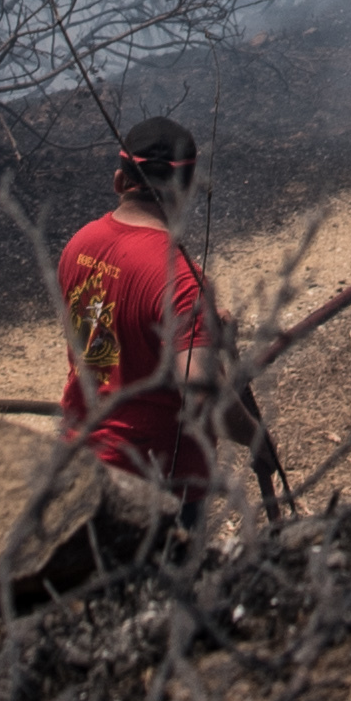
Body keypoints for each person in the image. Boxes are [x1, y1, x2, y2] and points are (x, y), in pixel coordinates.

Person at [55, 115, 274, 524]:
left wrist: (200, 329)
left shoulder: (78, 247)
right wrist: (255, 439)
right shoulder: (183, 281)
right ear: (187, 189)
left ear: (120, 182)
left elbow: (105, 336)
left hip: (80, 464)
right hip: (156, 487)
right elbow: (202, 397)